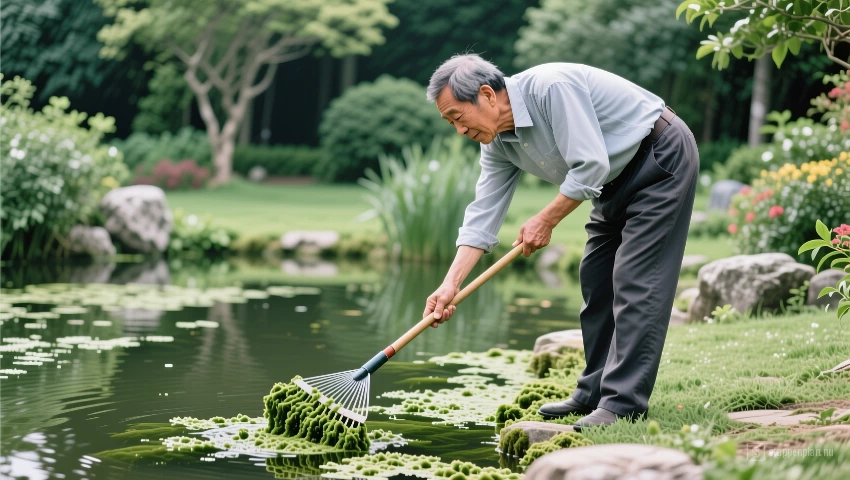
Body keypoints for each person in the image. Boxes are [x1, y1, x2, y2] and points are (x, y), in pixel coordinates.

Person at [421, 54, 699, 431]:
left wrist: (546, 219)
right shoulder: (498, 144)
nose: (458, 130)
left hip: (658, 157)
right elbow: (483, 213)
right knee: (596, 278)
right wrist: (450, 285)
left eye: (457, 116)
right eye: (449, 122)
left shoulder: (551, 87)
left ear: (486, 95)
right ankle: (594, 391)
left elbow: (590, 164)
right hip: (610, 183)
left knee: (636, 279)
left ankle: (622, 405)